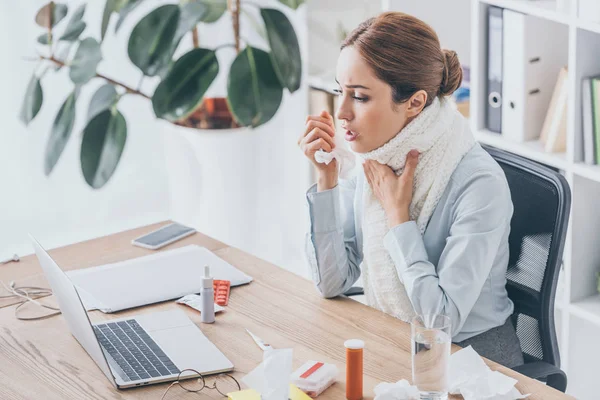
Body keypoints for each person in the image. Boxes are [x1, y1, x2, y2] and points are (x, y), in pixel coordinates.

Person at [298, 12, 524, 368]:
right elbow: (332, 282)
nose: (340, 112)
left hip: (474, 362)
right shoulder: (377, 156)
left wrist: (397, 219)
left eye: (359, 97)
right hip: (392, 342)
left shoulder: (480, 185)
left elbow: (442, 324)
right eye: (339, 91)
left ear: (415, 103)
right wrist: (326, 181)